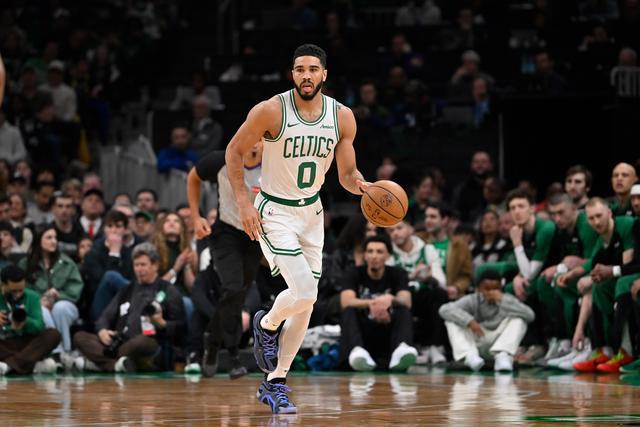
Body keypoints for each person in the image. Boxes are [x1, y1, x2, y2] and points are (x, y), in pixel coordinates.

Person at [225, 44, 368, 414]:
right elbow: (234, 151)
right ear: (292, 74)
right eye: (300, 69)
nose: (306, 75)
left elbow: (347, 175)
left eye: (313, 69)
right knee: (305, 291)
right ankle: (267, 324)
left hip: (312, 214)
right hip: (274, 211)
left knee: (306, 302)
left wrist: (364, 187)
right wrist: (243, 202)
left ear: (324, 74)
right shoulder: (271, 110)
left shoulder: (342, 117)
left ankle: (275, 383)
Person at [186, 143, 263, 379]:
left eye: (261, 137)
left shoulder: (275, 164)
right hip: (226, 233)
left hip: (256, 235)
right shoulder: (221, 159)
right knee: (233, 287)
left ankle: (212, 340)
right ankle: (231, 354)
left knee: (238, 294)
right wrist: (196, 216)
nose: (255, 141)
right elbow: (193, 177)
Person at [73, 243, 186, 373]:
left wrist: (162, 324)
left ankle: (100, 363)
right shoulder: (127, 290)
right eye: (136, 265)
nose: (139, 269)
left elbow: (181, 327)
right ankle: (116, 365)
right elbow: (105, 317)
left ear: (155, 266)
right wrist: (102, 331)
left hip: (149, 342)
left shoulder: (168, 290)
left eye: (143, 265)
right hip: (119, 341)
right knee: (80, 337)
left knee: (141, 342)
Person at [557, 198, 635, 372]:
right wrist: (573, 274)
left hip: (631, 275)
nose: (596, 222)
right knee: (596, 288)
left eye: (599, 216)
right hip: (621, 277)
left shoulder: (625, 225)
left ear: (609, 213)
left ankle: (625, 352)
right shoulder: (601, 242)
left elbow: (628, 266)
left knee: (620, 285)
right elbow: (591, 266)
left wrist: (591, 278)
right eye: (591, 218)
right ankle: (602, 350)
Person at [339, 235, 417, 372]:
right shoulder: (353, 272)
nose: (374, 256)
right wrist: (376, 303)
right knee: (348, 311)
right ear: (365, 255)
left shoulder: (397, 273)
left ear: (388, 256)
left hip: (388, 327)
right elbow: (346, 301)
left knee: (404, 310)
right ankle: (357, 352)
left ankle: (401, 349)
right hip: (364, 330)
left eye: (379, 252)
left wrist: (390, 299)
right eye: (370, 251)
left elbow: (407, 301)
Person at [439, 269, 535, 372]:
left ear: (501, 287)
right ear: (479, 289)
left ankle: (503, 356)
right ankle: (469, 356)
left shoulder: (507, 299)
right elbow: (444, 309)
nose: (491, 292)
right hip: (477, 339)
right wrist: (469, 321)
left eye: (495, 288)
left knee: (519, 319)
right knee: (452, 321)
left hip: (498, 341)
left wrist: (502, 300)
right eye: (487, 288)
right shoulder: (472, 299)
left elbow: (530, 315)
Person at [19, 226, 83, 361]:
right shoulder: (26, 264)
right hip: (38, 304)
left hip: (65, 304)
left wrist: (58, 295)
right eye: (49, 238)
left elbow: (75, 290)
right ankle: (57, 352)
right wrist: (38, 300)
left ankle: (66, 351)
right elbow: (21, 291)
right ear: (38, 240)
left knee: (60, 308)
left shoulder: (67, 263)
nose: (54, 241)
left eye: (55, 238)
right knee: (41, 310)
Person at [387, 219, 447, 364]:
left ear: (410, 229)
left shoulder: (427, 250)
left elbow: (442, 282)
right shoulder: (389, 254)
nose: (395, 233)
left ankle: (435, 346)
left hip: (425, 295)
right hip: (402, 297)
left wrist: (428, 277)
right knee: (401, 302)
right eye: (391, 231)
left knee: (439, 295)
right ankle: (413, 347)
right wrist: (412, 276)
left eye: (399, 228)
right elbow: (389, 285)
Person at [0, 265, 61, 375]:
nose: (18, 294)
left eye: (21, 290)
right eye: (14, 291)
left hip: (27, 342)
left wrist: (26, 322)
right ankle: (32, 364)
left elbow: (39, 326)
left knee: (53, 334)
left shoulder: (32, 296)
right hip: (5, 342)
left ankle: (9, 366)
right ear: (3, 285)